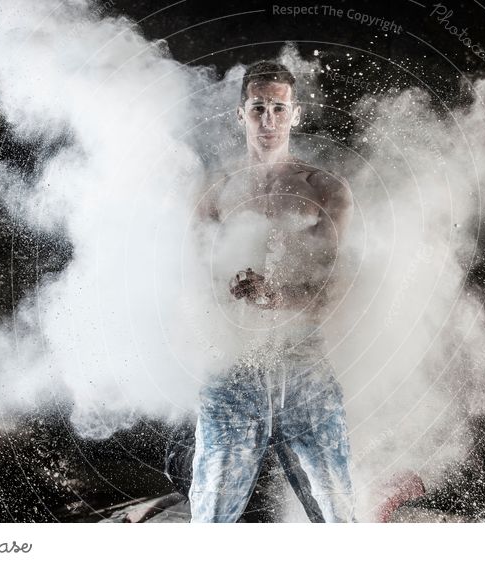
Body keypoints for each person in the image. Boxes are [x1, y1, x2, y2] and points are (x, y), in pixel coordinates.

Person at [188, 61, 355, 523]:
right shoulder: (214, 192)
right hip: (232, 369)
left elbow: (335, 290)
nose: (269, 120)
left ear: (295, 114)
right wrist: (225, 297)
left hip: (303, 368)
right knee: (212, 516)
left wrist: (276, 296)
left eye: (279, 109)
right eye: (258, 108)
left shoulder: (326, 191)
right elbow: (191, 282)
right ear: (241, 114)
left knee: (337, 514)